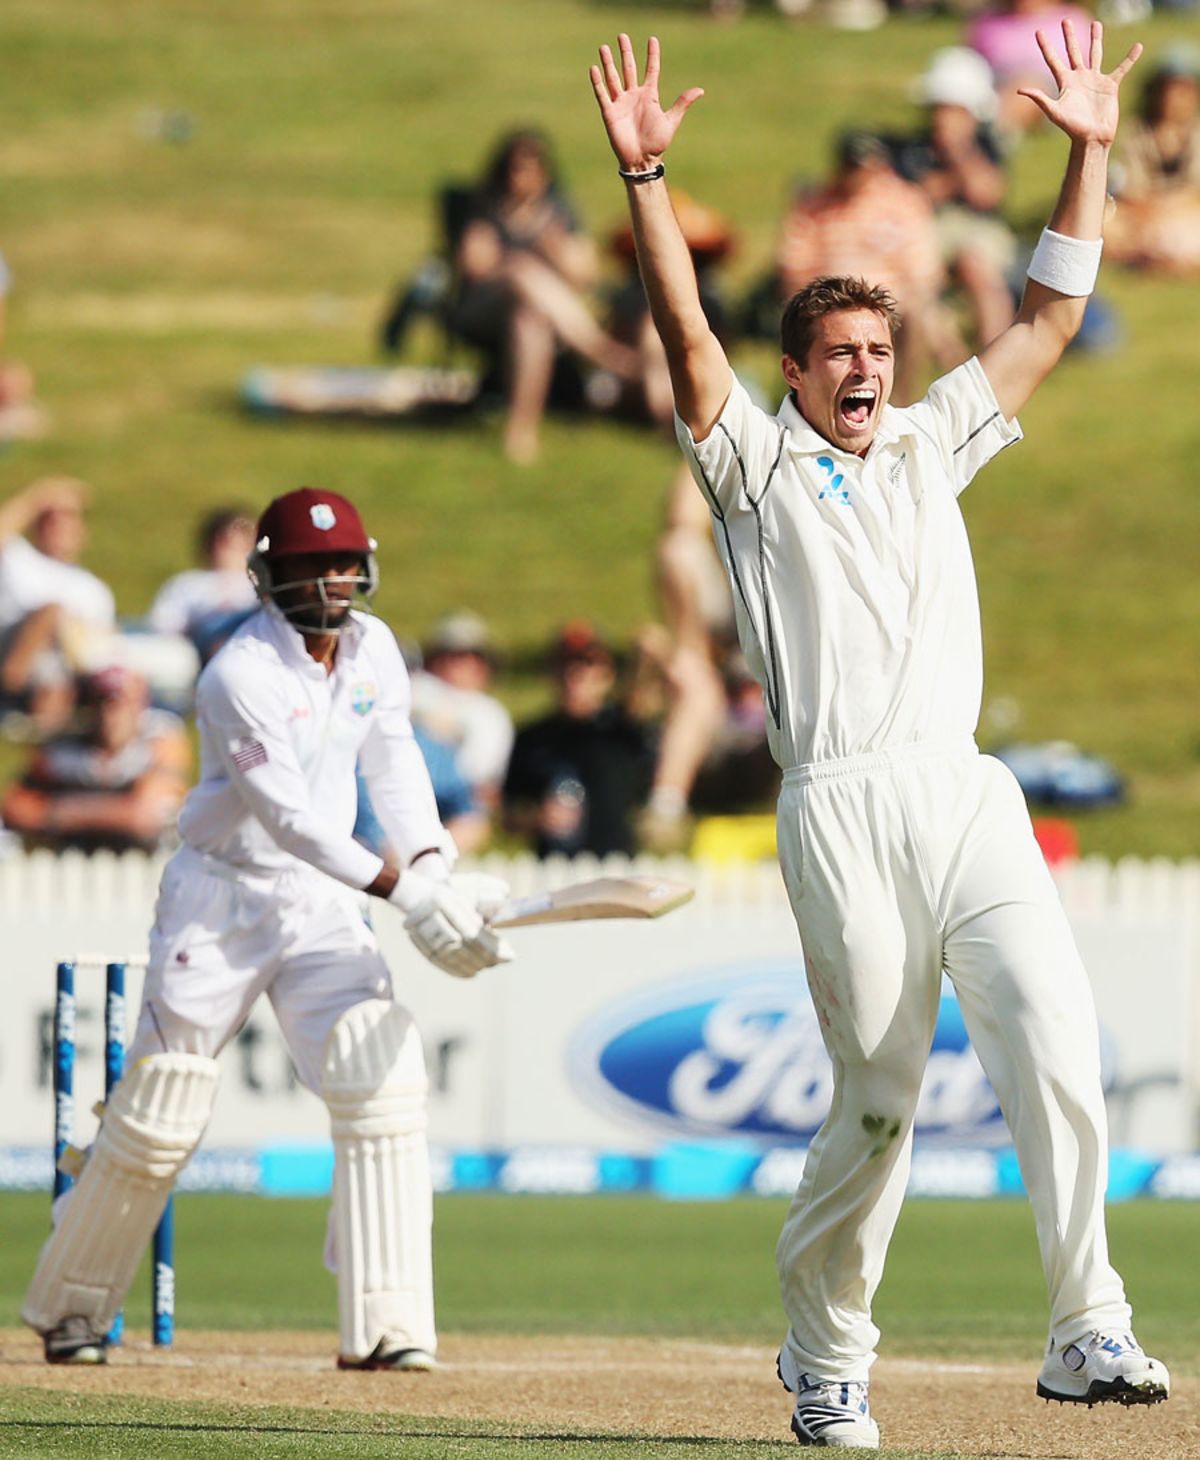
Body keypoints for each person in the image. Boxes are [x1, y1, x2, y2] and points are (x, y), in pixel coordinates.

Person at [590, 24, 1166, 1448]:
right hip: (838, 804)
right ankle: (827, 1353)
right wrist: (650, 176)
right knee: (877, 1105)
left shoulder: (927, 437)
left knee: (1054, 1039)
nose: (865, 369)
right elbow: (682, 336)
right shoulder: (750, 464)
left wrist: (1091, 153)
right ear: (793, 370)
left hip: (964, 795)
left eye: (880, 348)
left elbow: (1039, 323)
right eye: (839, 352)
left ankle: (1088, 1323)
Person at [22, 486, 513, 1370]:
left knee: (383, 1077)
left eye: (338, 563)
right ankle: (73, 1309)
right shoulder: (236, 674)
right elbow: (289, 819)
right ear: (268, 575)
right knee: (160, 1105)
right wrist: (406, 894)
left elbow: (394, 766)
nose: (327, 581)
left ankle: (388, 1324)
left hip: (321, 904)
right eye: (305, 566)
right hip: (222, 899)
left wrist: (435, 867)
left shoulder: (375, 651)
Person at [450, 128, 639, 462]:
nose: (524, 176)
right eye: (517, 168)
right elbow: (474, 267)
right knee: (521, 270)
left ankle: (520, 430)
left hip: (540, 318)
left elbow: (585, 275)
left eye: (533, 168)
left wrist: (553, 249)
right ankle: (599, 350)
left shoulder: (559, 212)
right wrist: (514, 262)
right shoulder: (486, 208)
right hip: (483, 310)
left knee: (529, 322)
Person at [775, 129, 955, 401]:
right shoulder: (814, 205)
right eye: (851, 167)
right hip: (830, 298)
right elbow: (794, 264)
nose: (857, 176)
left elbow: (923, 267)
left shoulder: (903, 201)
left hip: (894, 298)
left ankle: (901, 401)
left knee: (923, 317)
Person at [893, 48, 1018, 350]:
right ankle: (955, 368)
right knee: (917, 287)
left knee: (978, 269)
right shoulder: (911, 148)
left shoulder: (986, 146)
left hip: (978, 233)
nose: (942, 119)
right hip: (923, 233)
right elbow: (916, 197)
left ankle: (996, 356)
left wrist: (958, 152)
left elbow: (985, 192)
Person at [503, 621, 654, 858]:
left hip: (616, 865)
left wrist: (648, 658)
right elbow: (508, 814)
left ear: (606, 675)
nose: (573, 675)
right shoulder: (532, 738)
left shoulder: (624, 731)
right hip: (555, 871)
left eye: (586, 664)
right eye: (565, 665)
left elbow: (650, 697)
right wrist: (538, 818)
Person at [1, 664, 189, 852]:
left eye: (118, 706)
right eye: (100, 704)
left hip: (143, 862)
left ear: (138, 707)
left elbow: (146, 816)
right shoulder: (61, 751)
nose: (108, 716)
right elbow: (15, 809)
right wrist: (113, 808)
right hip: (70, 862)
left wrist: (62, 811)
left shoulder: (159, 743)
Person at [0, 477, 116, 733]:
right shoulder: (19, 558)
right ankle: (9, 696)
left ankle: (44, 730)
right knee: (50, 613)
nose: (59, 527)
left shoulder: (93, 588)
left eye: (69, 520)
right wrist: (38, 496)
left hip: (65, 663)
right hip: (12, 652)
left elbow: (100, 642)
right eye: (50, 519)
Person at [409, 609, 514, 815]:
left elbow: (483, 779)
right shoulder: (415, 688)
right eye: (449, 655)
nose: (457, 664)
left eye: (467, 656)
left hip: (458, 801)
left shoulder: (491, 713)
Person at [1105, 46, 1200, 273]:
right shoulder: (1136, 132)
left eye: (1183, 92)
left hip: (1187, 216)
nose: (1173, 99)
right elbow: (1128, 189)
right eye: (1167, 90)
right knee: (1103, 221)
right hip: (1143, 216)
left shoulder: (1196, 134)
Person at [146, 506, 259, 660]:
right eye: (226, 543)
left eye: (243, 544)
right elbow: (164, 628)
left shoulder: (260, 584)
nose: (232, 551)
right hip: (201, 645)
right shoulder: (188, 584)